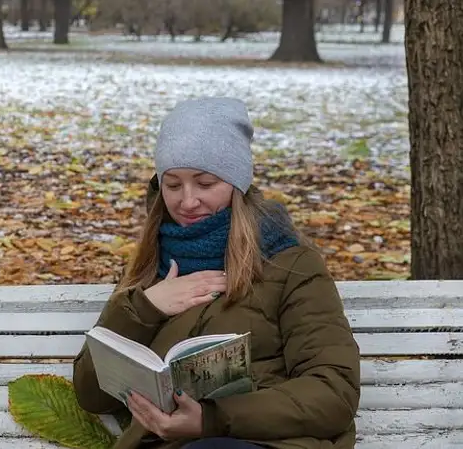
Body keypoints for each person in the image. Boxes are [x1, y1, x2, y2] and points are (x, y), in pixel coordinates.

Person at [72, 97, 361, 449]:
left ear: (236, 183)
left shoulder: (291, 265)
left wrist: (211, 420)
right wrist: (145, 308)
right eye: (173, 185)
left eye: (205, 183)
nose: (187, 201)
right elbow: (92, 396)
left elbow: (334, 392)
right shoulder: (151, 266)